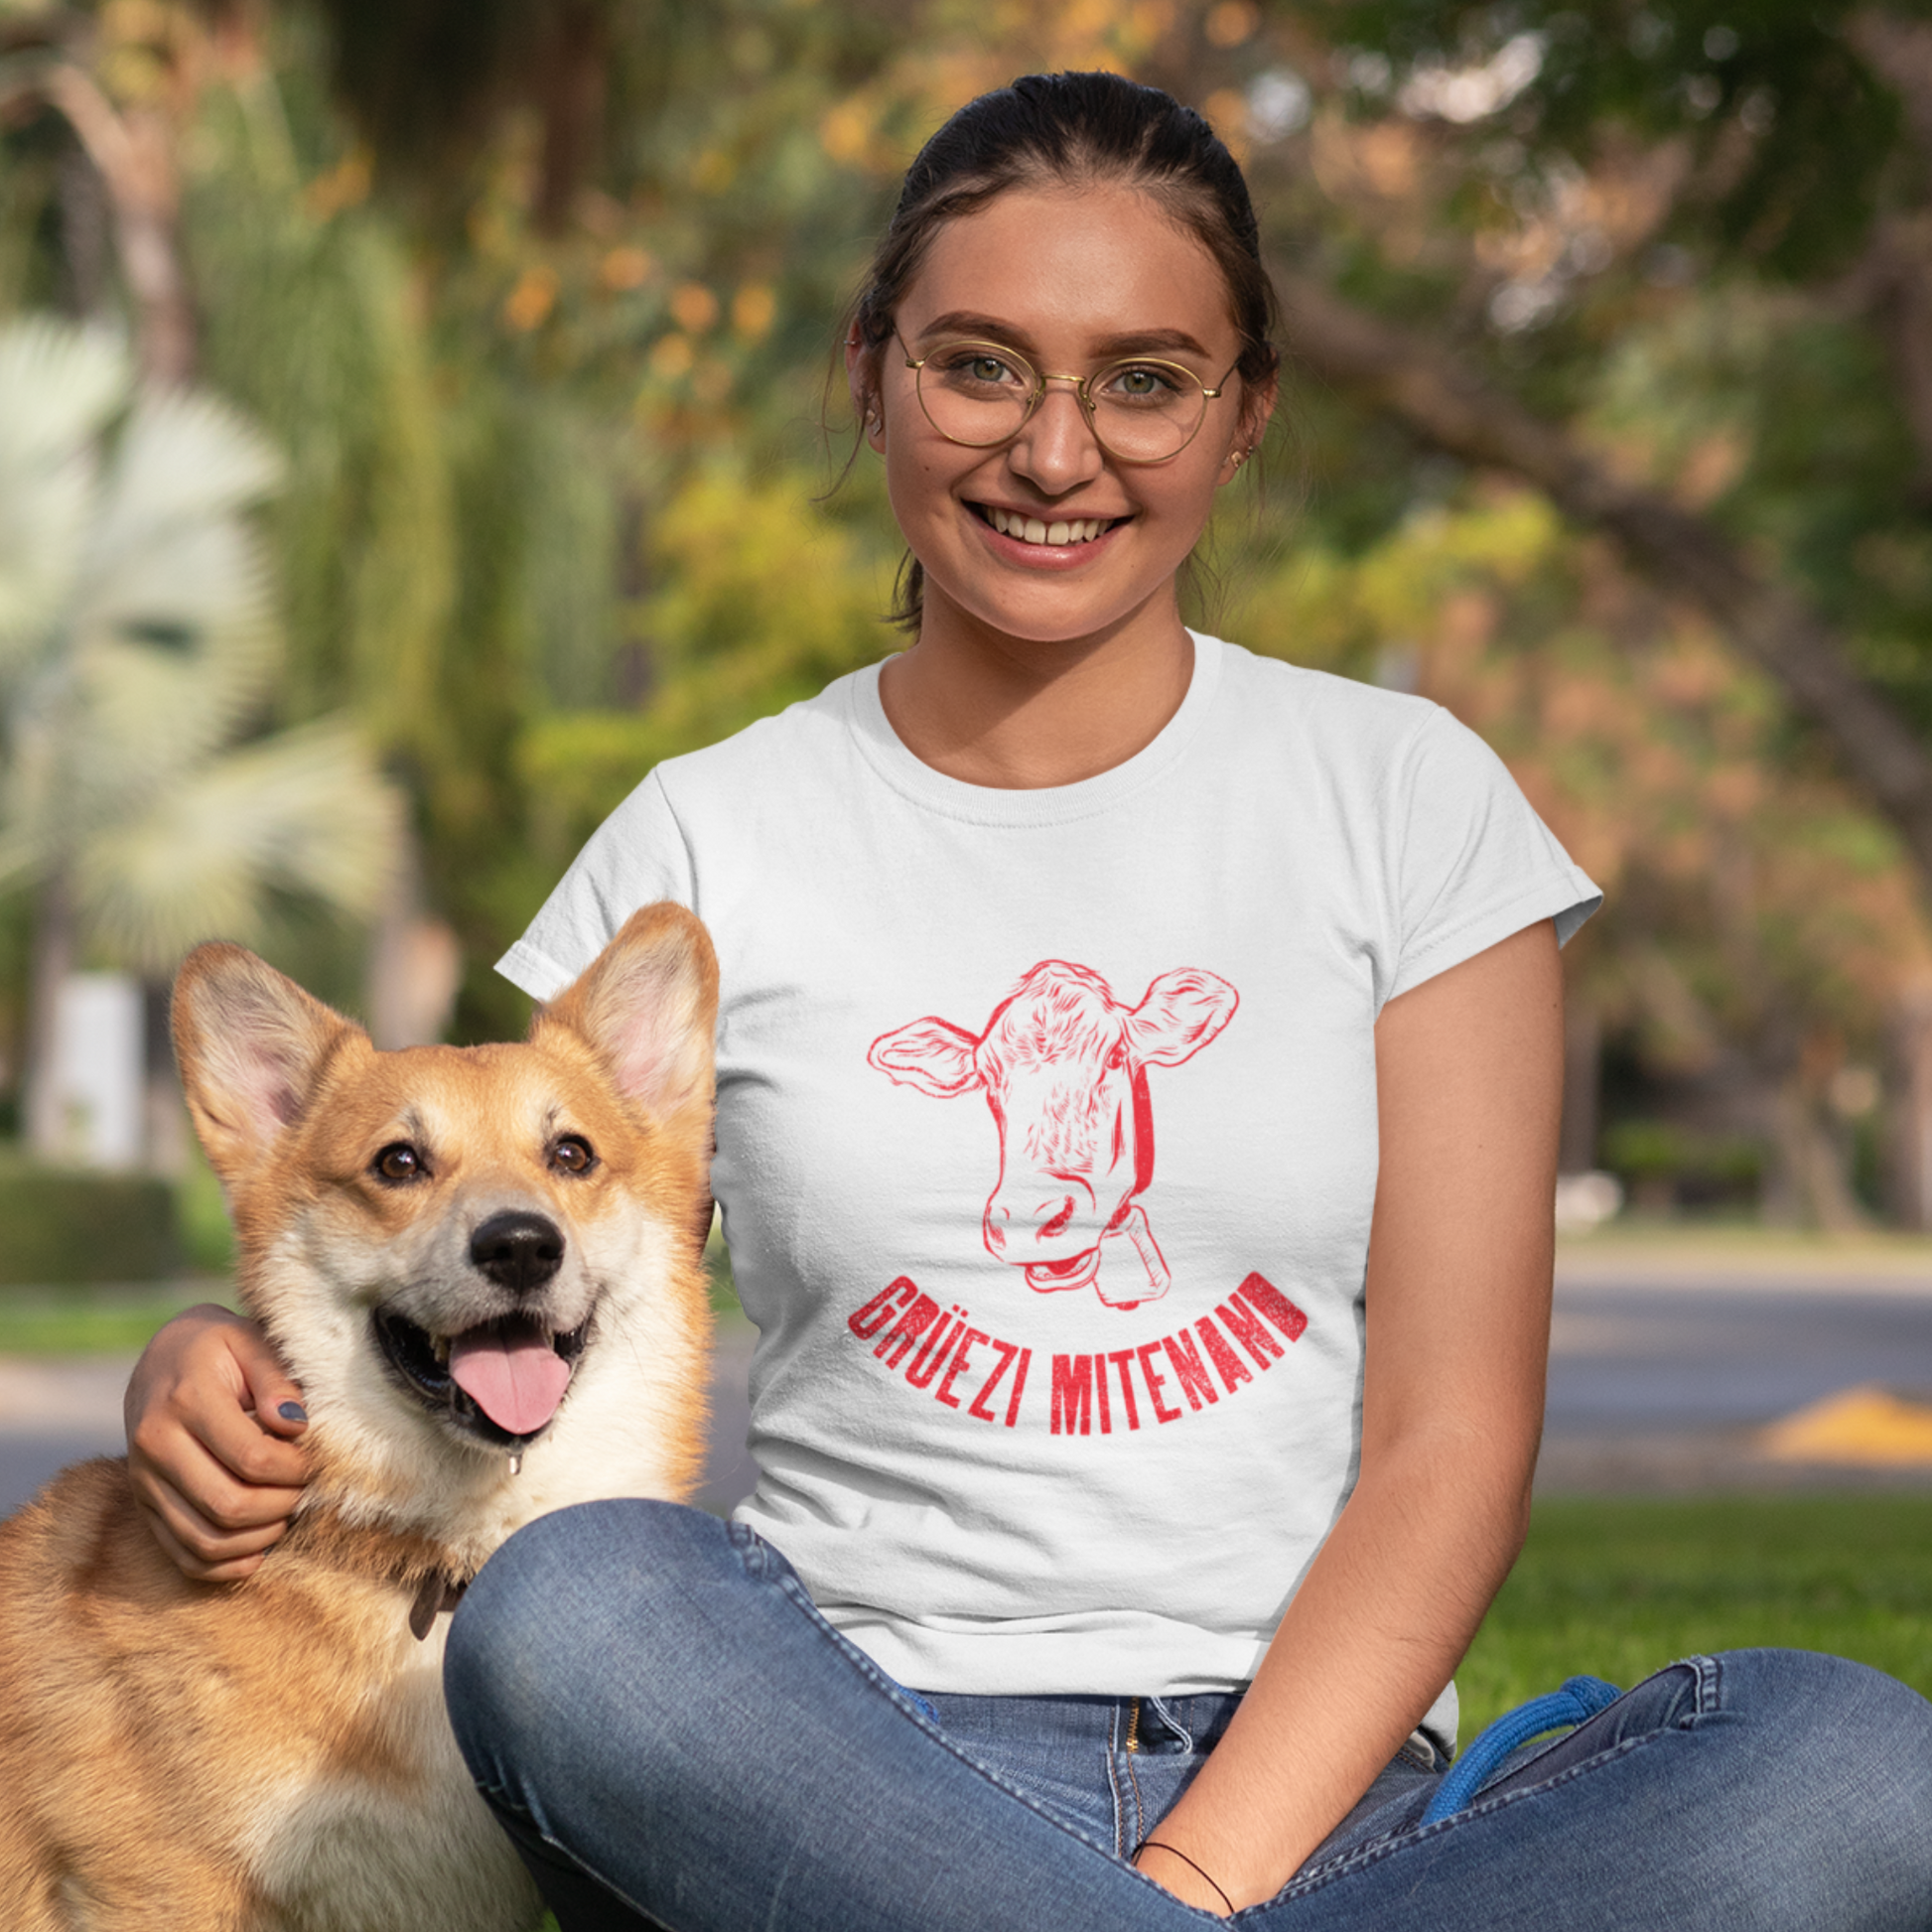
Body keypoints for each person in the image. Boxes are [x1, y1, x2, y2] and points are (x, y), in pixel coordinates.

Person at [124, 69, 1932, 1932]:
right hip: (821, 1768)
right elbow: (480, 1205)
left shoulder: (1406, 797)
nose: (1054, 451)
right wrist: (202, 1348)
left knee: (1861, 1765)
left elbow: (1451, 1444)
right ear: (871, 372)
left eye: (1144, 379)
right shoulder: (713, 831)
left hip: (1319, 1791)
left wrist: (1192, 1879)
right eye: (979, 364)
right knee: (578, 1612)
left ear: (1242, 420)